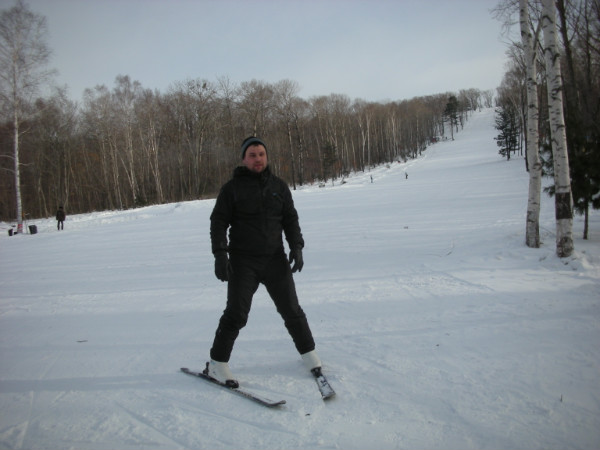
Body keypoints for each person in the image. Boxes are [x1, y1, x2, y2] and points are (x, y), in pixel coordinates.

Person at [206, 136, 321, 388]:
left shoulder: (279, 186)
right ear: (243, 159)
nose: (258, 159)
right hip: (243, 261)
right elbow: (218, 222)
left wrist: (297, 246)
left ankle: (309, 354)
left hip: (274, 259)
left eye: (261, 154)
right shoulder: (232, 189)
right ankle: (217, 363)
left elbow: (290, 219)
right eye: (252, 155)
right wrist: (220, 254)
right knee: (236, 313)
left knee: (292, 310)